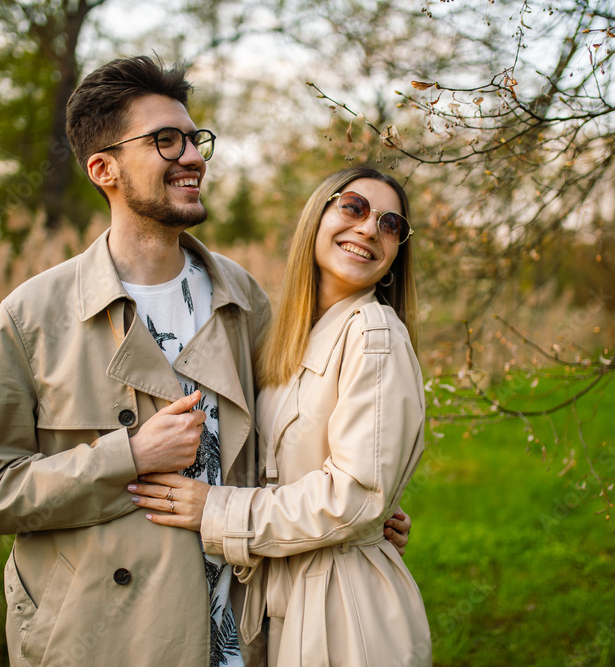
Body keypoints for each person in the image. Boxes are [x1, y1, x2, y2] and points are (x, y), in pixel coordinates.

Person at [0, 56, 410, 667]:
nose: (192, 156)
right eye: (165, 141)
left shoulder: (243, 300)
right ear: (103, 168)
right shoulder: (34, 314)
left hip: (234, 634)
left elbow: (286, 438)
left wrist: (357, 516)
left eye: (194, 139)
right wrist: (130, 456)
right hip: (101, 638)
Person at [129, 166, 432, 666]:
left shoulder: (373, 334)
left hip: (343, 614)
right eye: (353, 207)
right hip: (284, 595)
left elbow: (354, 494)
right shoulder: (285, 336)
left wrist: (217, 509)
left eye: (390, 224)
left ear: (397, 253)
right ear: (318, 215)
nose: (369, 229)